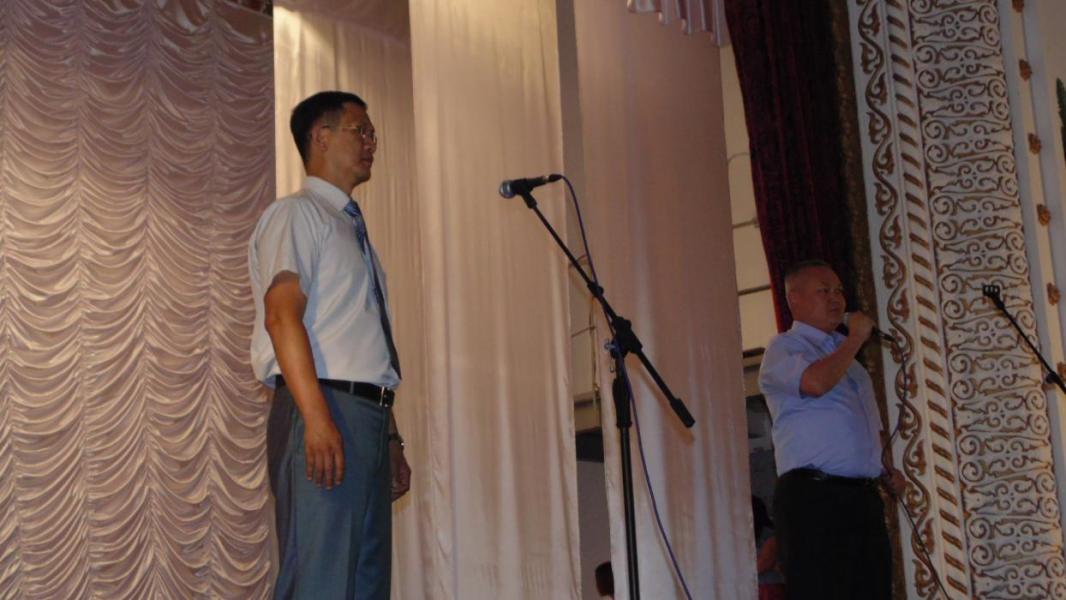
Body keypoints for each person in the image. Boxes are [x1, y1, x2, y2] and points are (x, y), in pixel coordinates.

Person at [249, 90, 411, 599]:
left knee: (364, 584)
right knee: (321, 582)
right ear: (320, 137)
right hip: (322, 408)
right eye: (360, 131)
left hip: (366, 418)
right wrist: (317, 418)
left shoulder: (352, 232)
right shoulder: (298, 215)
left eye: (373, 134)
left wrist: (390, 438)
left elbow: (364, 345)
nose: (372, 143)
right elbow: (281, 317)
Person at [758, 259, 905, 600]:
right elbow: (815, 383)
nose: (836, 298)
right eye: (824, 291)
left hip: (862, 498)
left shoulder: (851, 364)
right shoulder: (784, 348)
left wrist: (886, 468)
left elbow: (869, 426)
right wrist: (854, 339)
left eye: (839, 290)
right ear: (794, 299)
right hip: (814, 497)